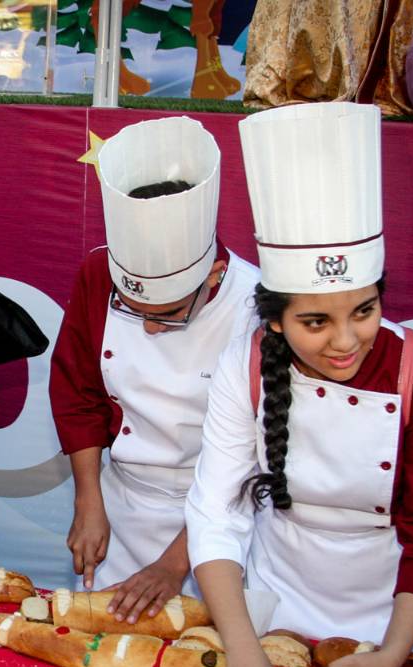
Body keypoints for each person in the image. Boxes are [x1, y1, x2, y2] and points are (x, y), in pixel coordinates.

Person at [186, 102, 413, 667]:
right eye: (316, 322)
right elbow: (216, 513)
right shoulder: (244, 367)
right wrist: (243, 649)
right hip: (279, 607)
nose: (346, 342)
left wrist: (390, 654)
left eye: (364, 311)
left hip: (398, 619)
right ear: (274, 321)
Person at [50, 115, 258, 624]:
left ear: (213, 276)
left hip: (225, 519)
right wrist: (89, 500)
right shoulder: (98, 273)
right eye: (133, 310)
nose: (148, 329)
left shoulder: (256, 306)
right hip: (123, 507)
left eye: (168, 315)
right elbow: (78, 393)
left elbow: (254, 459)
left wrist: (175, 564)